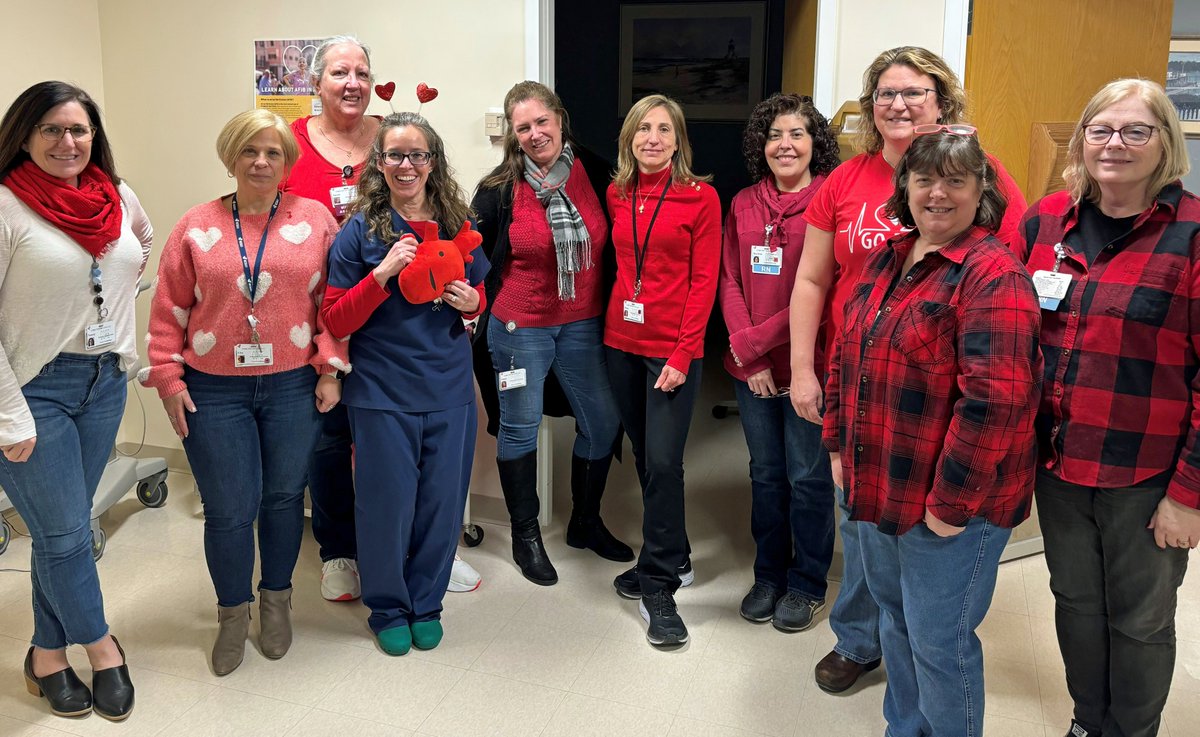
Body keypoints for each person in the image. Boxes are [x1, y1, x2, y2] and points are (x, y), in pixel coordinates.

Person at [787, 45, 1028, 693]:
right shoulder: (844, 181)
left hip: (939, 403)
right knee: (864, 530)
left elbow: (1003, 294)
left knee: (928, 554)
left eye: (913, 92)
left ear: (941, 102)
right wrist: (804, 369)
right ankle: (862, 640)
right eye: (886, 95)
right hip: (862, 388)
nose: (899, 105)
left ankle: (922, 660)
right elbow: (813, 278)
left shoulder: (985, 175)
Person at [824, 128, 1041, 736]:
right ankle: (904, 728)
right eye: (924, 179)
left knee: (940, 643)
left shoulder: (993, 275)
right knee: (893, 618)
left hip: (951, 504)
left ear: (981, 193)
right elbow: (846, 357)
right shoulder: (887, 257)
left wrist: (951, 503)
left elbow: (995, 404)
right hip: (880, 480)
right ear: (905, 188)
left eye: (955, 180)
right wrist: (839, 445)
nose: (937, 194)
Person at [1022, 78, 1200, 737]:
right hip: (1059, 463)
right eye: (1101, 129)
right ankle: (1088, 720)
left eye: (1136, 130)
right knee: (1075, 602)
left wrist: (1189, 493)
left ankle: (1132, 729)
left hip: (1146, 475)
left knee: (1140, 617)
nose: (1115, 144)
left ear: (1165, 144)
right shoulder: (1043, 222)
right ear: (1082, 140)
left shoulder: (1193, 235)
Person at [141, 109, 345, 676]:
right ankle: (234, 614)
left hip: (291, 383)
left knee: (283, 499)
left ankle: (275, 601)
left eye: (273, 152)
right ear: (231, 156)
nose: (260, 161)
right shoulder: (196, 225)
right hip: (214, 390)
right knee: (230, 510)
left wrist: (330, 368)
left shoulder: (317, 220)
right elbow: (168, 312)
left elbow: (334, 303)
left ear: (287, 162)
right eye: (249, 151)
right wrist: (168, 379)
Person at [281, 35, 481, 600]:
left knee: (415, 466)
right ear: (315, 82)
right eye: (340, 72)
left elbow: (474, 275)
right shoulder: (293, 147)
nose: (352, 83)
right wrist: (377, 274)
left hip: (405, 339)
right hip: (322, 311)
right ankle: (341, 551)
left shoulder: (393, 137)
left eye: (362, 72)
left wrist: (472, 302)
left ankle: (423, 560)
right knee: (333, 440)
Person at [0, 80, 143, 722]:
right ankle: (103, 647)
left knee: (63, 532)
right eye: (52, 130)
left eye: (78, 130)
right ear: (24, 136)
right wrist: (7, 415)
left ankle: (45, 654)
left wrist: (122, 340)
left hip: (102, 382)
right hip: (33, 389)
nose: (67, 142)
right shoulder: (6, 207)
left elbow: (133, 254)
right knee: (64, 535)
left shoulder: (115, 196)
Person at [321, 112, 489, 655]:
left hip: (449, 389)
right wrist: (381, 274)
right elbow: (337, 319)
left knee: (441, 503)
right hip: (381, 393)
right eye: (394, 155)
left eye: (417, 154)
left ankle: (427, 602)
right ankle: (389, 606)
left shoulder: (458, 221)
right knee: (385, 505)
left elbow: (478, 290)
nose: (406, 165)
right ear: (379, 163)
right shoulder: (361, 230)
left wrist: (473, 304)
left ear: (433, 162)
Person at [471, 80, 629, 586]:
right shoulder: (498, 189)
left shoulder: (597, 170)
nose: (535, 134)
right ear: (513, 135)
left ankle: (585, 522)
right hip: (519, 326)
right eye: (523, 128)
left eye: (542, 122)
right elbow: (475, 258)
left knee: (602, 423)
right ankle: (526, 535)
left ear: (560, 120)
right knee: (519, 426)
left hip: (583, 321)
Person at [719, 93, 840, 632]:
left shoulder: (830, 200)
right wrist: (749, 354)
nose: (785, 144)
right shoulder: (744, 202)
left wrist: (755, 343)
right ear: (760, 146)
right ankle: (768, 574)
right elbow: (728, 279)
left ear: (815, 143)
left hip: (809, 366)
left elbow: (819, 289)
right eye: (774, 135)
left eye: (797, 134)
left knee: (808, 477)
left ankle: (807, 583)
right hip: (753, 371)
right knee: (766, 475)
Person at [605, 94, 721, 647]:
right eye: (642, 129)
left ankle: (659, 586)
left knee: (663, 460)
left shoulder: (701, 198)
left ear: (678, 141)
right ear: (630, 137)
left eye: (663, 130)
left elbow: (704, 283)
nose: (652, 138)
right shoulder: (617, 192)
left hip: (671, 350)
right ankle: (673, 555)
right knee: (647, 461)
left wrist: (681, 354)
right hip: (620, 342)